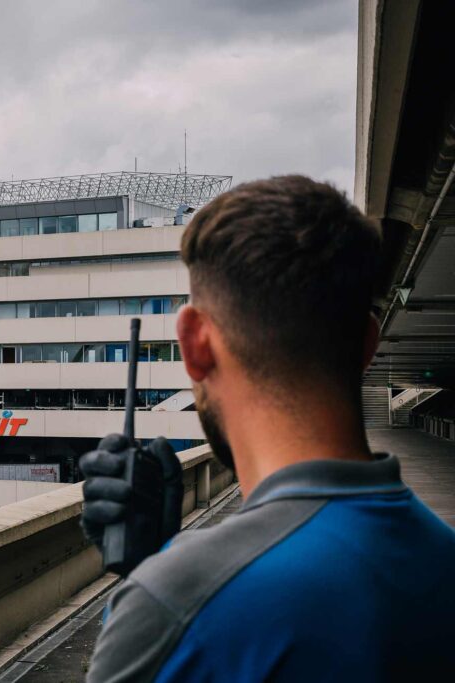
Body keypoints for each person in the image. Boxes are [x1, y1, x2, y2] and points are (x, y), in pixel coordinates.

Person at [81, 176, 455, 681]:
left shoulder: (174, 605)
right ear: (368, 345)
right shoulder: (442, 561)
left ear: (195, 343)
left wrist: (151, 583)